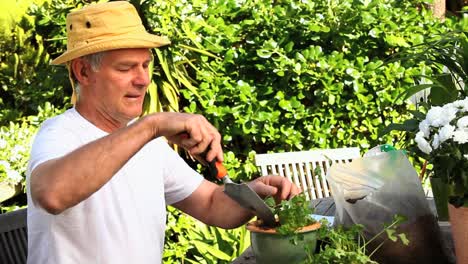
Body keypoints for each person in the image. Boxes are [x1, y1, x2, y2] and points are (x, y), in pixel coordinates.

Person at [26, 1, 300, 263]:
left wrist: (253, 193)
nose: (143, 79)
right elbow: (52, 194)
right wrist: (152, 125)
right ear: (83, 72)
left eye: (145, 65)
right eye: (125, 68)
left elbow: (211, 205)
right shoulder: (60, 133)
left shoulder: (144, 141)